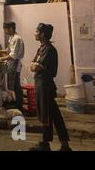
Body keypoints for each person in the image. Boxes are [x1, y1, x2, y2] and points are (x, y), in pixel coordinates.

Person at [29, 23, 72, 151]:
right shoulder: (41, 48)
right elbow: (32, 64)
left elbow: (49, 71)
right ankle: (64, 144)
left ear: (42, 34)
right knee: (54, 115)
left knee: (46, 115)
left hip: (46, 87)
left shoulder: (50, 49)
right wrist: (36, 66)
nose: (35, 33)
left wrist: (39, 67)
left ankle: (45, 143)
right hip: (41, 85)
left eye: (37, 31)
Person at [1, 22, 25, 111]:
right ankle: (17, 104)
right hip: (11, 64)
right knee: (14, 86)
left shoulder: (17, 39)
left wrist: (0, 59)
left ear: (11, 28)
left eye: (6, 29)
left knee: (16, 87)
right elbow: (9, 50)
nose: (5, 31)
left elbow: (13, 56)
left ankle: (19, 106)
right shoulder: (11, 37)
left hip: (15, 64)